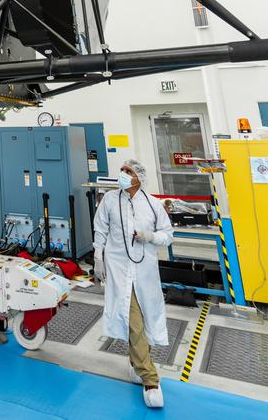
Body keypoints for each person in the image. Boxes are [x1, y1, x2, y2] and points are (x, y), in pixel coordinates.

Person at [92, 159, 173, 408]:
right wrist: (98, 256)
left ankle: (135, 362)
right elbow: (101, 229)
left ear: (139, 176)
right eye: (123, 170)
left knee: (143, 321)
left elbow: (168, 235)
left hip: (144, 272)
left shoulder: (152, 204)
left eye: (129, 171)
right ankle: (150, 380)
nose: (124, 174)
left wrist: (149, 236)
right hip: (118, 269)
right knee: (135, 321)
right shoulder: (109, 200)